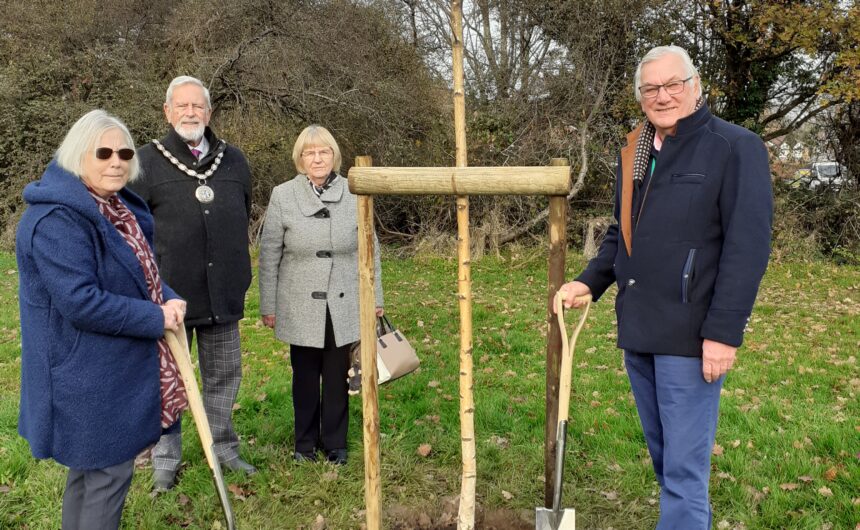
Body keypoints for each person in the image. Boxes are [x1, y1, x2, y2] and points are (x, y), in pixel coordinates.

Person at [558, 45, 772, 529]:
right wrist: (589, 282)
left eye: (672, 84)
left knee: (682, 471)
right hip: (640, 330)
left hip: (691, 335)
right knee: (667, 463)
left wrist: (723, 333)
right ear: (640, 97)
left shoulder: (734, 147)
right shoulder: (635, 151)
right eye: (651, 88)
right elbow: (623, 233)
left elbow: (748, 248)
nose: (663, 95)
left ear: (695, 86)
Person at [16, 109, 188, 529]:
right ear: (79, 156)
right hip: (84, 374)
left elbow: (137, 273)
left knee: (94, 473)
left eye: (125, 152)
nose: (117, 160)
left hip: (109, 366)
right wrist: (154, 316)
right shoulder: (58, 219)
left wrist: (168, 297)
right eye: (104, 152)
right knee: (108, 473)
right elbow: (81, 301)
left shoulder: (116, 206)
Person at [129, 76, 255, 491]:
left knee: (223, 374)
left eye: (197, 106)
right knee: (170, 378)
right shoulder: (144, 161)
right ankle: (166, 455)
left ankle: (224, 446)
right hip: (170, 296)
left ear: (209, 113)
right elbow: (133, 231)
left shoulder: (233, 160)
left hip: (222, 290)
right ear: (167, 112)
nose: (189, 113)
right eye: (181, 106)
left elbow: (243, 213)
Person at [258, 125, 383, 465]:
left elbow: (371, 249)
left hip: (344, 298)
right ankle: (304, 444)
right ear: (300, 158)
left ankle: (336, 443)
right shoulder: (283, 195)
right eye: (310, 152)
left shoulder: (355, 191)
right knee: (305, 375)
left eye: (324, 152)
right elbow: (269, 254)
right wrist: (267, 304)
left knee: (337, 374)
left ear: (334, 156)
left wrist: (376, 298)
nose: (317, 158)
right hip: (298, 301)